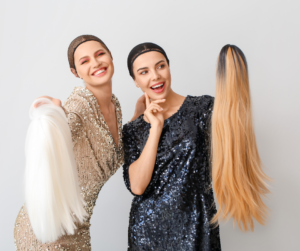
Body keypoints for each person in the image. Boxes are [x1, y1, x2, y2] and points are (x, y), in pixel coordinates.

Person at [122, 43, 269, 250]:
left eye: (160, 66)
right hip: (147, 235)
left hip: (197, 229)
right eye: (143, 72)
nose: (155, 76)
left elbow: (234, 126)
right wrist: (155, 128)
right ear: (136, 81)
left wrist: (233, 79)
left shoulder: (203, 108)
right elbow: (137, 186)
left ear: (169, 67)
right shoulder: (133, 129)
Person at [14, 34, 141, 251]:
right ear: (75, 72)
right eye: (85, 61)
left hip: (79, 227)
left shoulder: (115, 105)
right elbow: (59, 130)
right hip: (49, 229)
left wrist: (139, 113)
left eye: (100, 54)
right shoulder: (78, 108)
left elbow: (113, 148)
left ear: (111, 57)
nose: (96, 63)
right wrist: (50, 113)